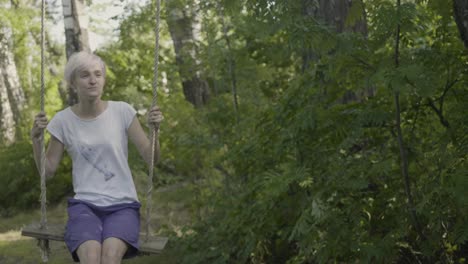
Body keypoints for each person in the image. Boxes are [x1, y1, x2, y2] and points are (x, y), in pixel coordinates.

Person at [30, 51, 164, 264]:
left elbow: (152, 159)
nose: (93, 80)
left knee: (110, 257)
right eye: (85, 75)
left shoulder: (123, 112)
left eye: (98, 74)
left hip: (123, 205)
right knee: (91, 258)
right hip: (85, 206)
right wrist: (36, 140)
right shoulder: (63, 121)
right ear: (73, 83)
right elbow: (48, 172)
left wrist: (155, 132)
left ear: (104, 79)